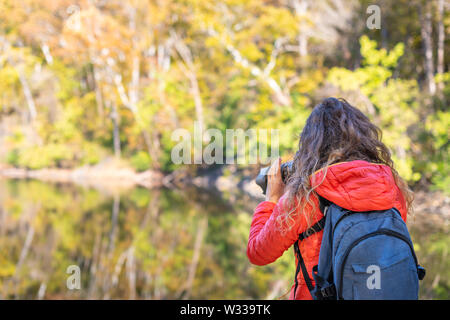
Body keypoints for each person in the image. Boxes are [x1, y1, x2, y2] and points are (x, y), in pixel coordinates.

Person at [247, 97, 413, 300]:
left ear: (311, 145)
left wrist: (272, 199)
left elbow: (258, 253)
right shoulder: (389, 186)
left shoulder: (306, 195)